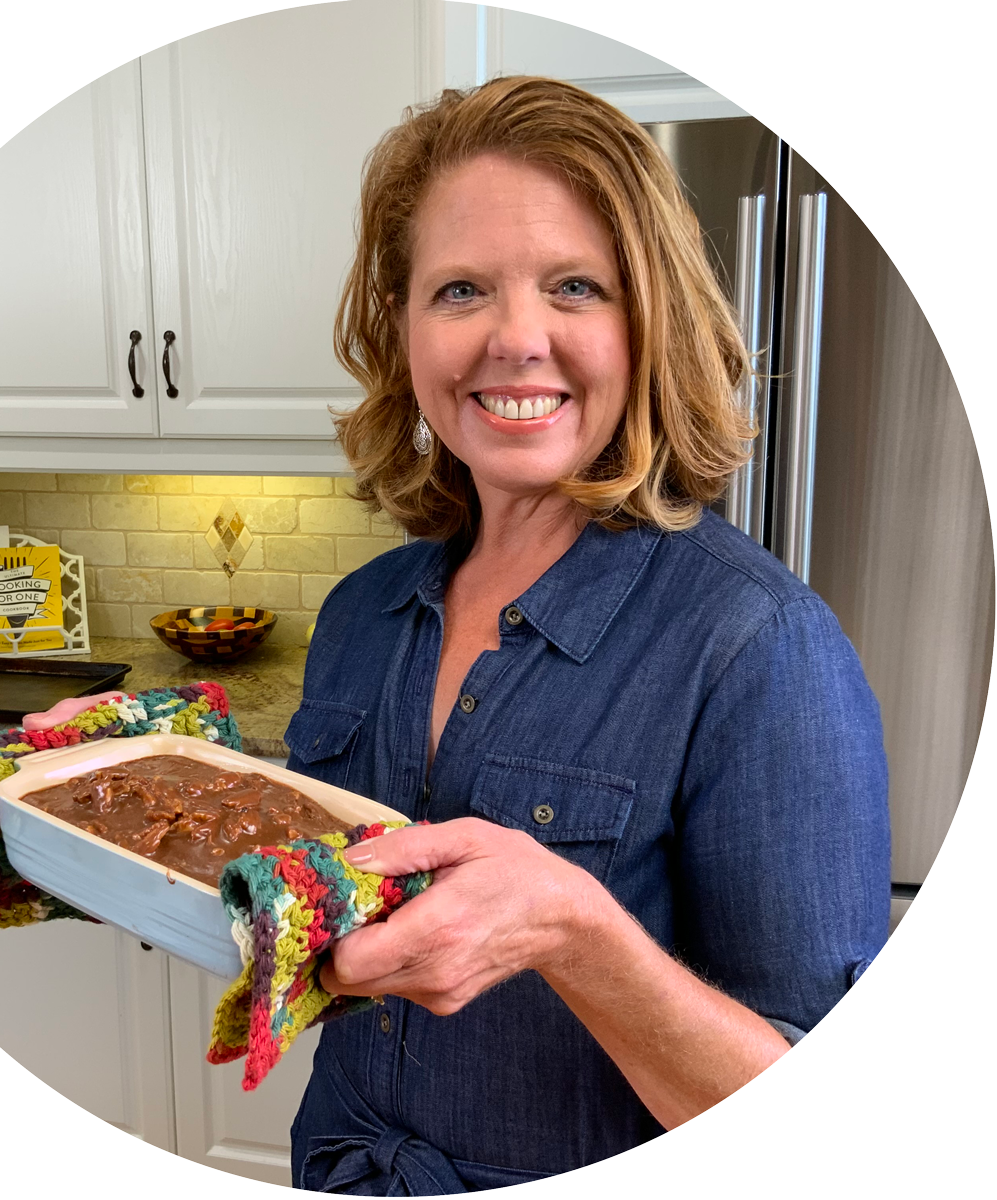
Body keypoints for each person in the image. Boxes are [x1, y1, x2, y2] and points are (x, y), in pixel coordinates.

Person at [277, 77, 890, 1195]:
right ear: (402, 328)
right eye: (460, 289)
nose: (517, 339)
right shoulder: (361, 615)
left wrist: (574, 933)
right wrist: (104, 782)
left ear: (647, 323)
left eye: (575, 286)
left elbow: (827, 1153)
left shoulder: (761, 649)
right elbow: (286, 909)